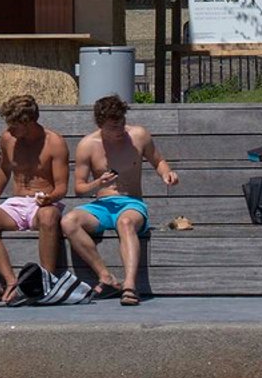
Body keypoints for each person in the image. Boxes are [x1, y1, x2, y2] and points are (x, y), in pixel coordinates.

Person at [61, 95, 179, 306]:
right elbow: (79, 188)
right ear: (100, 124)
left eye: (122, 124)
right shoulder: (88, 145)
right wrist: (98, 183)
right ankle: (105, 276)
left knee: (125, 223)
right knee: (69, 221)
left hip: (131, 202)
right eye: (112, 127)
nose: (119, 131)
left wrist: (167, 173)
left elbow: (158, 160)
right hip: (101, 205)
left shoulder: (139, 135)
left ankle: (130, 286)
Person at [0, 93, 69, 302]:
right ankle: (11, 281)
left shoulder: (54, 143)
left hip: (43, 202)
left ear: (28, 122)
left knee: (48, 217)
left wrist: (49, 198)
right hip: (16, 203)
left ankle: (46, 280)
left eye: (15, 125)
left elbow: (62, 187)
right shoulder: (8, 139)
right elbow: (3, 170)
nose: (10, 129)